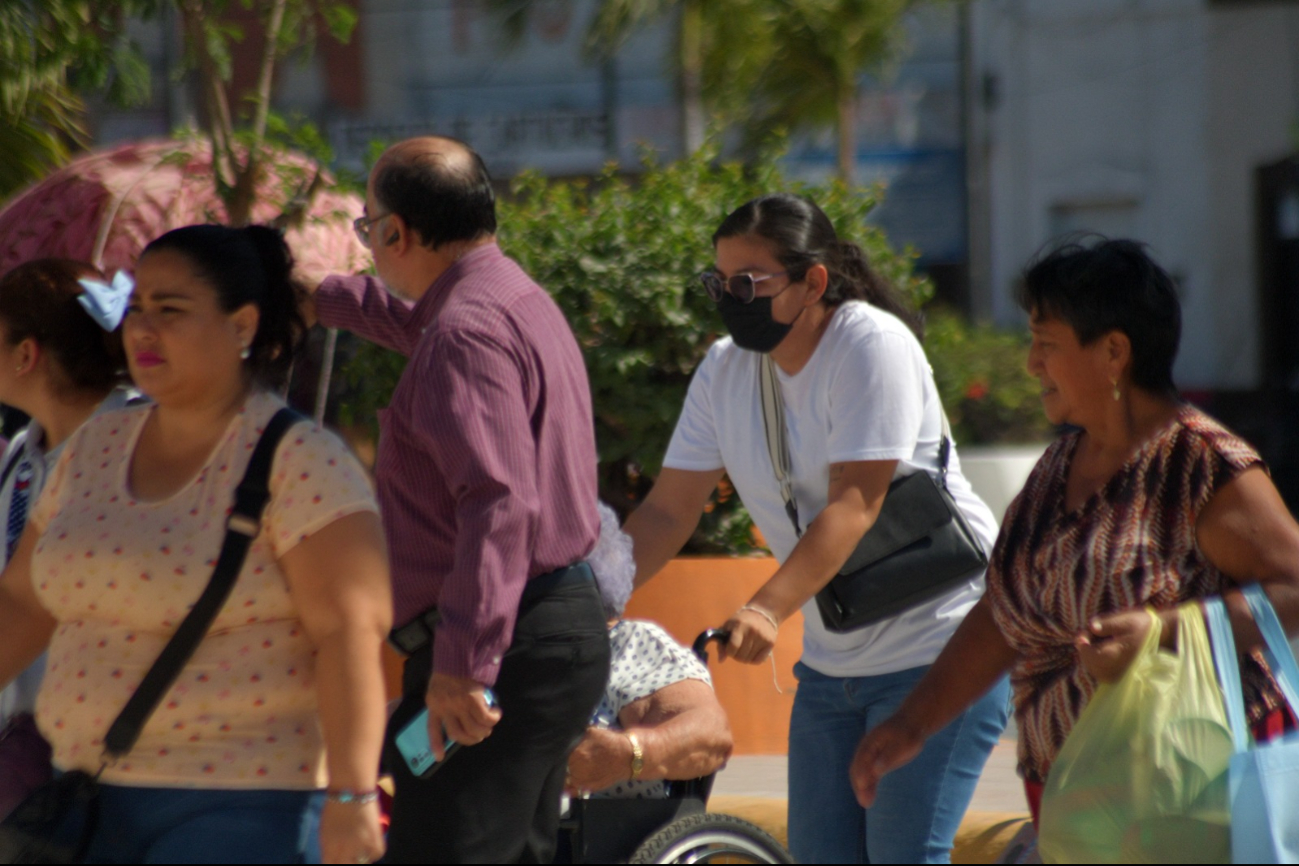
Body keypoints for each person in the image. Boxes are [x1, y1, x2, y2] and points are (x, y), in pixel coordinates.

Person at [849, 237, 1299, 827]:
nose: (1032, 363)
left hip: (1194, 801)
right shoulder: (1054, 471)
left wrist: (1163, 631)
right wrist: (911, 725)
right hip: (1072, 801)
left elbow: (1293, 587)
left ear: (1113, 352)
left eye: (1046, 344)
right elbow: (1002, 617)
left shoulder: (1201, 467)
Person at [623, 192, 1009, 863]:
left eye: (749, 282)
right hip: (833, 671)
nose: (729, 297)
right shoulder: (724, 370)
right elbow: (666, 510)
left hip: (940, 647)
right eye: (719, 282)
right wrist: (589, 596)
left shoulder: (869, 345)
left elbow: (854, 502)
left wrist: (766, 609)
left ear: (814, 282)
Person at [0, 225, 392, 863]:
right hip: (90, 803)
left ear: (241, 325)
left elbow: (348, 632)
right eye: (136, 311)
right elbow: (21, 602)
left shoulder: (300, 461)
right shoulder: (92, 451)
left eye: (171, 311)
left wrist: (353, 796)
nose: (143, 331)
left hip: (245, 808)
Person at [307, 135, 611, 863]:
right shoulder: (504, 295)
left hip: (500, 648)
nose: (369, 245)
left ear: (394, 233)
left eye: (367, 228)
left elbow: (497, 502)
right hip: (545, 635)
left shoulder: (461, 332)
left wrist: (463, 665)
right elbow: (410, 324)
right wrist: (315, 294)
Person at [0, 259, 139, 819]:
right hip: (24, 734)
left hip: (110, 746)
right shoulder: (21, 454)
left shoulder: (139, 447)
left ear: (25, 355)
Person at [568, 504, 732, 799]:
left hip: (599, 834)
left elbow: (710, 736)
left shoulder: (629, 645)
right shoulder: (492, 653)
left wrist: (624, 755)